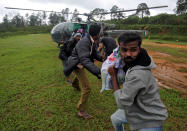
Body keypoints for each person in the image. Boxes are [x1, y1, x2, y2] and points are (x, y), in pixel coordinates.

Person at [108, 32, 168, 131]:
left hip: (150, 119)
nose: (128, 54)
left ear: (139, 49)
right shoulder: (140, 58)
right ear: (119, 49)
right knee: (115, 118)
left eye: (133, 50)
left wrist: (114, 77)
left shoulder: (138, 75)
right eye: (124, 50)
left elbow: (122, 103)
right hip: (138, 107)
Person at [64, 24, 103, 119]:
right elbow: (85, 59)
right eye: (100, 32)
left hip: (79, 62)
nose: (101, 34)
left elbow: (94, 53)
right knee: (87, 88)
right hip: (76, 64)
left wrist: (103, 58)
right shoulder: (85, 42)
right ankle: (81, 111)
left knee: (81, 77)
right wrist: (98, 71)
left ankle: (74, 84)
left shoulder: (91, 40)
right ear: (97, 34)